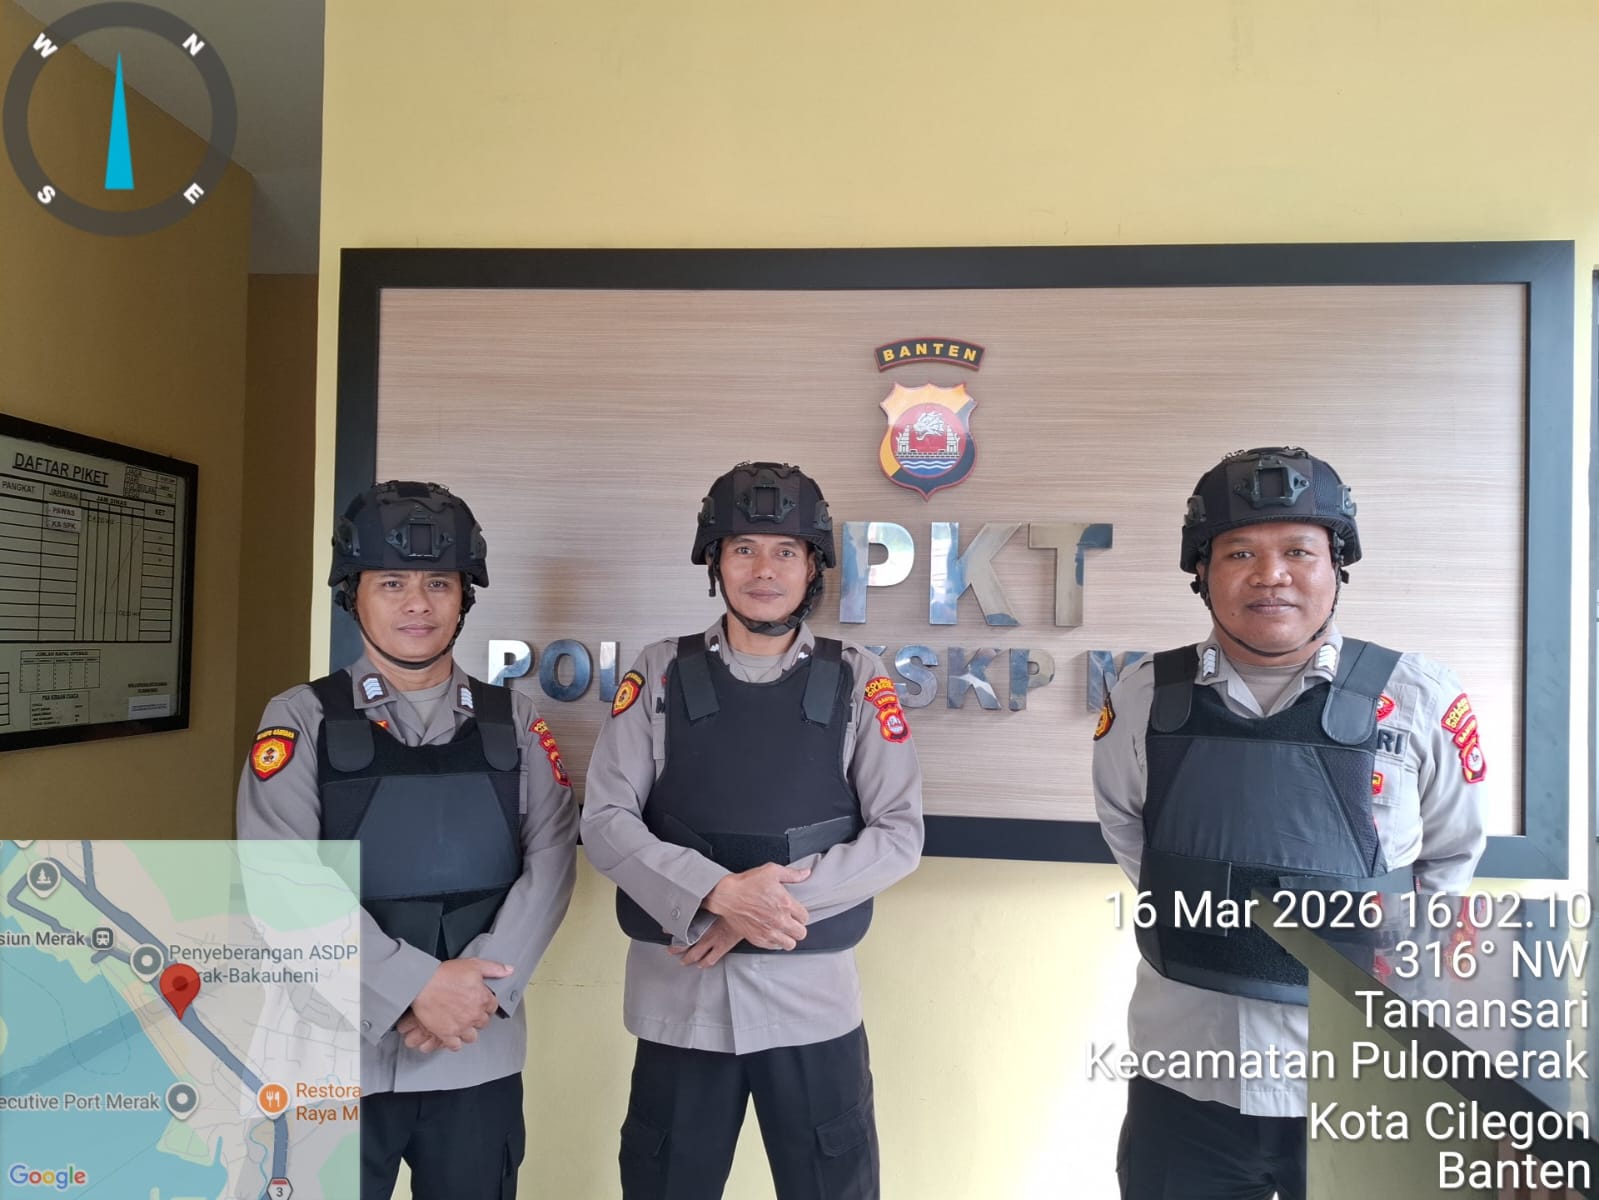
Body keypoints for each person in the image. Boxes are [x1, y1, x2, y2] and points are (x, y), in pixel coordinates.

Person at [1093, 446, 1489, 1200]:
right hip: (1186, 1073)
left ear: (1336, 566)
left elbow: (1448, 860)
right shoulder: (1142, 696)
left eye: (1298, 551)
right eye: (1239, 552)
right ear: (1201, 571)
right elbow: (1128, 829)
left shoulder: (1419, 698)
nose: (1270, 575)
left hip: (1362, 1078)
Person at [581, 461, 924, 1199]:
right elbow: (605, 820)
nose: (763, 570)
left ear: (812, 566)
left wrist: (756, 909)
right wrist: (716, 893)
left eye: (784, 551)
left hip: (810, 1008)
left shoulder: (859, 677)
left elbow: (898, 833)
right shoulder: (659, 672)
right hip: (681, 1006)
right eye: (743, 549)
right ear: (715, 561)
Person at [237, 480, 578, 1200]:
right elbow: (281, 879)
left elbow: (550, 863)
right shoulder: (300, 719)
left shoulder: (515, 722)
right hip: (329, 1052)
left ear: (464, 598)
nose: (417, 603)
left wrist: (477, 993)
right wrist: (412, 987)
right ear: (353, 594)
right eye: (391, 582)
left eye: (438, 583)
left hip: (473, 1048)